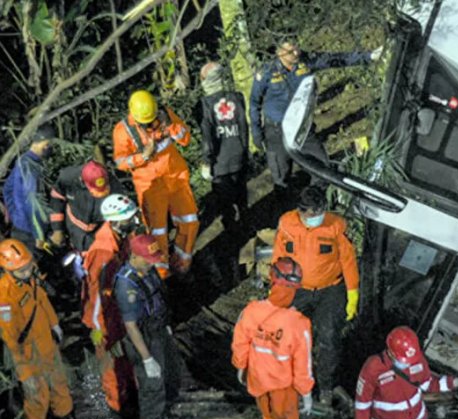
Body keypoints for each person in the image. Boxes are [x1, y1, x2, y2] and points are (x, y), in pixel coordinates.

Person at [250, 38, 381, 195]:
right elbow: (254, 103)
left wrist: (369, 56)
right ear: (279, 53)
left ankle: (315, 201)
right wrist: (257, 133)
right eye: (291, 51)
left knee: (321, 167)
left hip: (302, 127)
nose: (296, 53)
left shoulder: (306, 61)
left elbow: (336, 59)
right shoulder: (267, 71)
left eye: (297, 48)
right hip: (276, 130)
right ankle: (286, 207)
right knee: (281, 175)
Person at [271, 185, 358, 404]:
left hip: (329, 290)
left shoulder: (336, 225)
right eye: (310, 215)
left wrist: (352, 292)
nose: (315, 219)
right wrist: (277, 289)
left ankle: (327, 387)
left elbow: (348, 259)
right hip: (297, 290)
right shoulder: (287, 223)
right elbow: (279, 256)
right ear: (300, 211)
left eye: (319, 214)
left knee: (328, 337)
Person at [112, 90, 199, 277]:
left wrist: (172, 127)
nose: (151, 125)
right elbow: (121, 162)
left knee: (190, 221)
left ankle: (182, 262)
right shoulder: (123, 130)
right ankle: (161, 273)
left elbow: (186, 139)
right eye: (146, 123)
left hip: (176, 178)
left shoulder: (166, 115)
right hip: (150, 186)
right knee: (157, 232)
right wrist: (143, 156)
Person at [231, 257, 314, 419]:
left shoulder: (252, 310)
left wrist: (241, 366)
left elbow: (240, 342)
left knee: (267, 418)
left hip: (257, 380)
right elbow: (303, 363)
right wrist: (306, 391)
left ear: (272, 278)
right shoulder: (298, 323)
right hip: (283, 388)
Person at [353, 326, 458, 419]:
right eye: (405, 360)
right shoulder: (373, 368)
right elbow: (362, 405)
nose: (409, 363)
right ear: (391, 353)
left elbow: (429, 384)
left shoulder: (416, 359)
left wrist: (457, 382)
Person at [0, 238, 74, 419]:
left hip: (46, 344)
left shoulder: (30, 280)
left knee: (59, 382)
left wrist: (54, 324)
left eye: (27, 266)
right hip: (28, 354)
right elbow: (9, 335)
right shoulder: (4, 296)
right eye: (21, 269)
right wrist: (23, 371)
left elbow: (42, 300)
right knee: (37, 396)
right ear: (8, 270)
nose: (27, 271)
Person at [113, 234, 181, 419]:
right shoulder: (126, 285)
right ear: (134, 256)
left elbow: (159, 298)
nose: (152, 265)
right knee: (152, 383)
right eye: (148, 260)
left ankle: (164, 413)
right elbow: (131, 326)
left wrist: (166, 326)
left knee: (171, 373)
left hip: (159, 329)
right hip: (143, 338)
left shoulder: (148, 271)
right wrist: (147, 358)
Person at [82, 194, 140, 419]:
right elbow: (95, 295)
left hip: (119, 310)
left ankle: (131, 393)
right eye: (129, 219)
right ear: (116, 221)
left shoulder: (120, 238)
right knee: (111, 362)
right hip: (104, 318)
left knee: (125, 354)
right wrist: (98, 328)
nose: (133, 221)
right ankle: (118, 407)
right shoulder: (104, 252)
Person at [198, 61, 249, 227]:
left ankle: (232, 234)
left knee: (225, 202)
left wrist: (207, 161)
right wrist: (245, 150)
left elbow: (208, 138)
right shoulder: (237, 97)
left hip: (220, 162)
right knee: (241, 193)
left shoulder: (204, 105)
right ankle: (247, 224)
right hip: (239, 154)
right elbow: (243, 127)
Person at [48, 160, 124, 253]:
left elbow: (119, 219)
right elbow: (57, 199)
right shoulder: (68, 178)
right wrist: (57, 229)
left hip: (98, 233)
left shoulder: (116, 189)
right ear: (83, 182)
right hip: (71, 228)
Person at [3, 124, 55, 255]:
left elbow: (7, 188)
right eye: (49, 143)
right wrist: (39, 235)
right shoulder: (31, 167)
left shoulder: (23, 159)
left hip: (19, 227)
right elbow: (33, 202)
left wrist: (12, 213)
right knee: (30, 268)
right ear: (44, 142)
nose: (49, 147)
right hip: (30, 232)